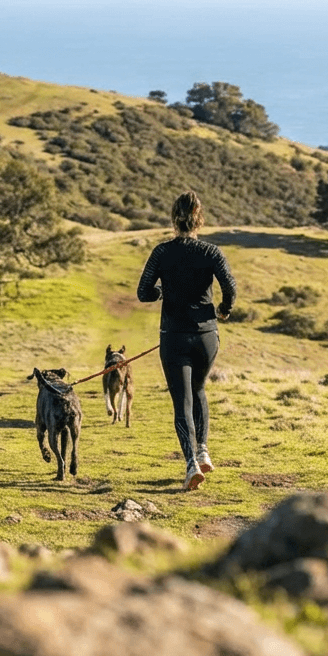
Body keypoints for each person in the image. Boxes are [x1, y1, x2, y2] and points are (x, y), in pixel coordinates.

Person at [136, 191, 237, 491]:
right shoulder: (211, 252)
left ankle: (192, 463)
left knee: (182, 401)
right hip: (207, 336)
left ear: (174, 219)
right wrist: (223, 309)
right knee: (199, 390)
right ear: (199, 219)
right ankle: (203, 449)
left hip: (174, 336)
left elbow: (143, 292)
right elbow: (230, 288)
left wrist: (162, 293)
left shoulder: (162, 252)